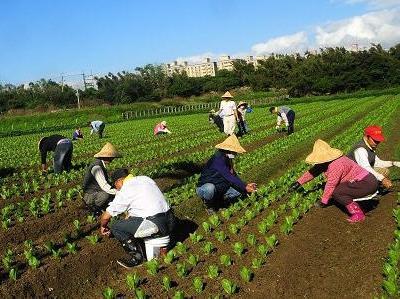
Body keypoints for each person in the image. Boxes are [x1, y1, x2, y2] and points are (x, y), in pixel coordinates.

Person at [100, 168, 175, 269]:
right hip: (170, 221)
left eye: (116, 186)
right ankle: (162, 248)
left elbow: (106, 216)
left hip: (154, 224)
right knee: (131, 222)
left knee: (116, 226)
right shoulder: (145, 179)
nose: (117, 189)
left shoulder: (126, 189)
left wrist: (103, 226)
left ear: (119, 181)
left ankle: (137, 258)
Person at [290, 139, 379, 223]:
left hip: (366, 183)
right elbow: (313, 172)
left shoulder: (336, 165)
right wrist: (298, 182)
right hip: (363, 181)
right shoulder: (327, 161)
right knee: (339, 190)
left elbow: (331, 184)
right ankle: (358, 202)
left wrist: (323, 201)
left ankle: (358, 214)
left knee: (337, 192)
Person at [197, 135, 257, 213]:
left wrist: (246, 185)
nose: (235, 154)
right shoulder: (218, 160)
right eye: (234, 151)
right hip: (204, 187)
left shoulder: (227, 159)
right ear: (228, 150)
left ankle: (219, 202)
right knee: (210, 188)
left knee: (239, 193)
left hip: (220, 185)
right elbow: (229, 176)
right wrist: (245, 187)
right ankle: (209, 205)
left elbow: (233, 175)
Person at [347, 125, 400, 191]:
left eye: (378, 140)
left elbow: (377, 162)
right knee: (379, 175)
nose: (377, 142)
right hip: (351, 177)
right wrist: (383, 179)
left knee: (384, 171)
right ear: (367, 137)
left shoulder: (369, 146)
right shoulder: (360, 149)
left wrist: (394, 163)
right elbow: (365, 168)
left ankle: (372, 187)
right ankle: (362, 191)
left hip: (360, 173)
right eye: (375, 140)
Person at [83, 142, 121, 215]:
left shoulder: (101, 164)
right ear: (106, 157)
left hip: (96, 190)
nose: (113, 159)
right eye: (111, 157)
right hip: (90, 194)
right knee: (105, 195)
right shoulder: (97, 167)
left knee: (111, 191)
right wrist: (119, 192)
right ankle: (94, 208)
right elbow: (104, 186)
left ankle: (101, 205)